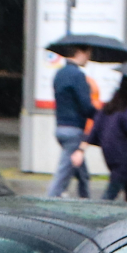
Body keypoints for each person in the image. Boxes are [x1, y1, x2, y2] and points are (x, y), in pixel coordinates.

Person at [47, 45, 96, 199]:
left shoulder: (59, 74)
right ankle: (47, 204)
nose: (88, 58)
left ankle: (86, 203)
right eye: (88, 54)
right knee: (62, 176)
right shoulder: (78, 75)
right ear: (79, 52)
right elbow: (86, 106)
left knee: (83, 174)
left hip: (60, 127)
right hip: (74, 131)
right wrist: (100, 115)